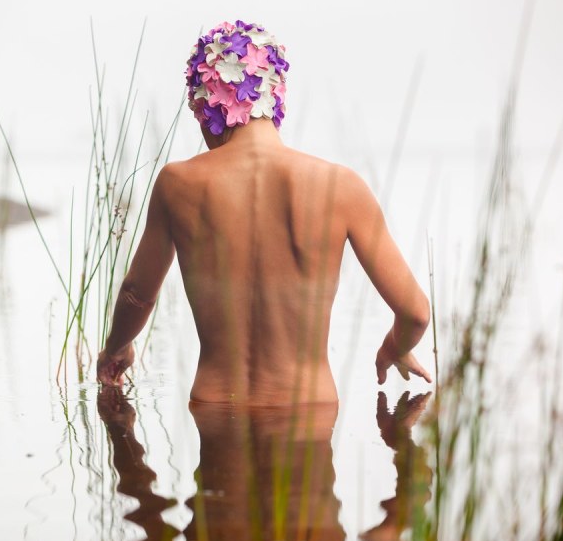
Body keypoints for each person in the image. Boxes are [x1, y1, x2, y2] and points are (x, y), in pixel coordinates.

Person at [96, 20, 431, 405]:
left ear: (206, 107)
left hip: (217, 407)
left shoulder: (177, 184)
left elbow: (137, 294)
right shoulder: (342, 186)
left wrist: (116, 349)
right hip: (308, 412)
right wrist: (394, 347)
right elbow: (415, 312)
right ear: (276, 97)